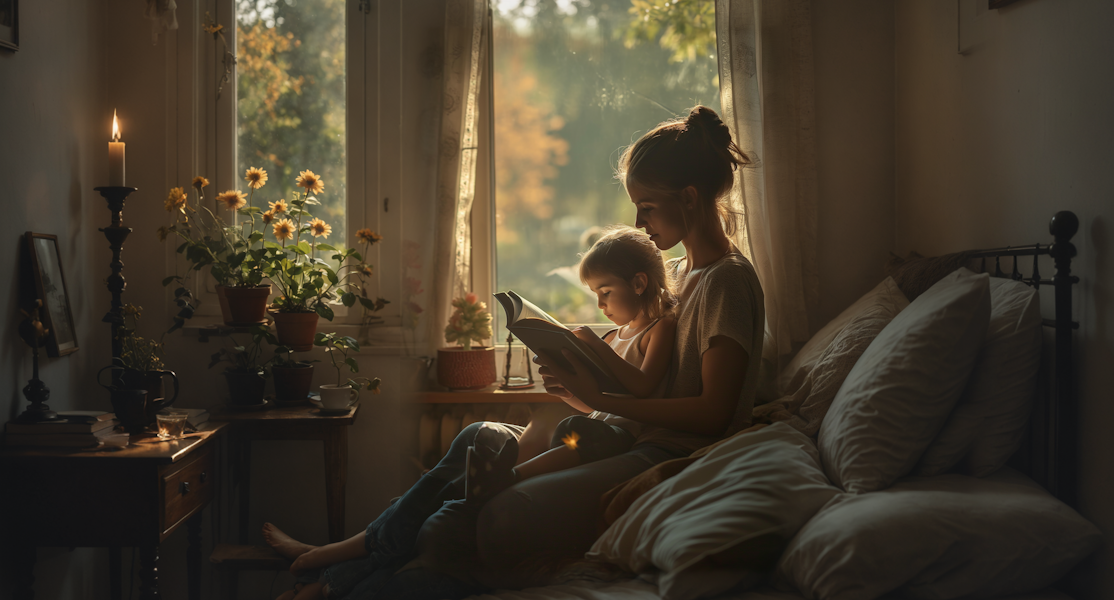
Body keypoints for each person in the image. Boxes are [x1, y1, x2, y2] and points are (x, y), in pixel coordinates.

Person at [263, 104, 764, 599]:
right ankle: (339, 569)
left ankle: (333, 580)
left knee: (458, 521)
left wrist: (603, 401)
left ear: (691, 198)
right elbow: (647, 379)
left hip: (663, 453)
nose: (638, 220)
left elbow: (714, 413)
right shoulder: (678, 276)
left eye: (647, 207)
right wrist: (582, 383)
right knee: (479, 436)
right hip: (627, 434)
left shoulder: (727, 282)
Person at [464, 225, 679, 505]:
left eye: (606, 292)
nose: (600, 304)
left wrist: (598, 346)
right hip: (599, 428)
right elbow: (598, 404)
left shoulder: (660, 327)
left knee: (582, 432)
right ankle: (502, 471)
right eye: (595, 294)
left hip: (627, 437)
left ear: (639, 284)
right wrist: (569, 392)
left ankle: (508, 476)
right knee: (553, 419)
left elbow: (644, 386)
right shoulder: (616, 335)